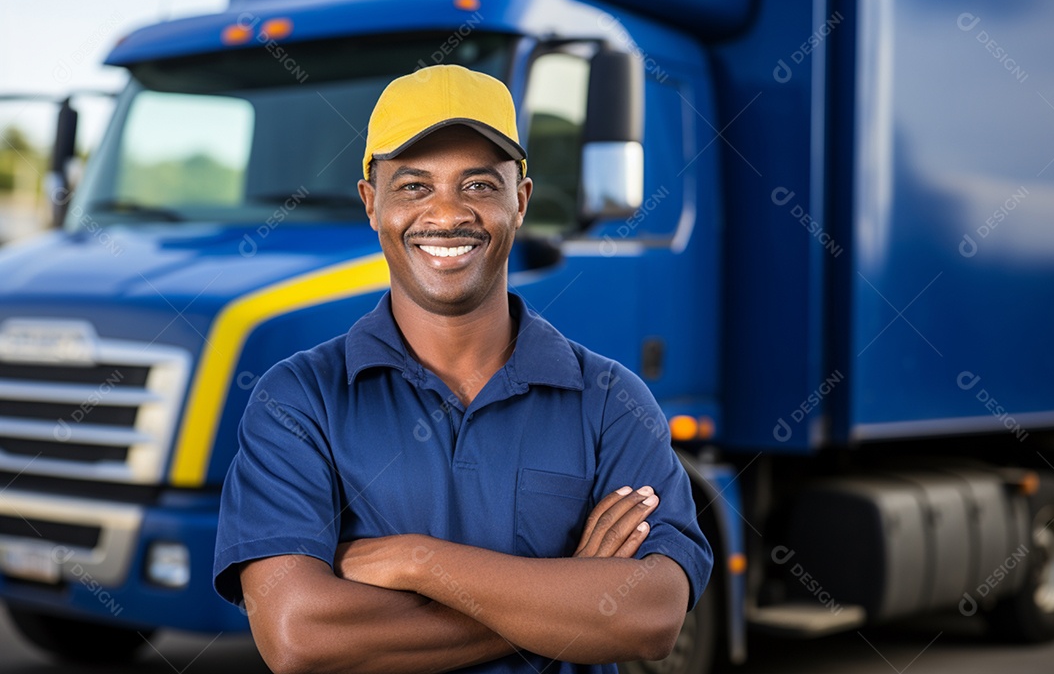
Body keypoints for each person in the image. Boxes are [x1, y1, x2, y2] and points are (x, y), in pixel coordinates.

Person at [213, 64, 713, 673]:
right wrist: (569, 593)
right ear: (373, 204)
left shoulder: (610, 400)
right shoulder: (298, 401)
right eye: (414, 186)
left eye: (478, 186)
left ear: (520, 200)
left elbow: (651, 617)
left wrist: (419, 561)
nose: (447, 214)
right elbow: (299, 636)